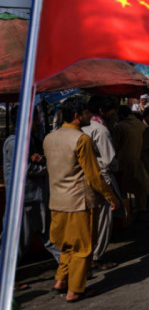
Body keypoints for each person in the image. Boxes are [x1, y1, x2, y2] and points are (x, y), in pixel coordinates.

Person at [43, 97, 120, 302]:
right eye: (87, 113)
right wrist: (110, 196)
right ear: (78, 116)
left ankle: (61, 280)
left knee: (67, 245)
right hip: (79, 202)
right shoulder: (82, 139)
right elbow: (94, 175)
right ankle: (75, 290)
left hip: (56, 201)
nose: (91, 116)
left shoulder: (49, 138)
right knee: (83, 248)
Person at [2, 106, 61, 289]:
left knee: (51, 237)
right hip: (24, 201)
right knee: (17, 242)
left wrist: (42, 161)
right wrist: (48, 167)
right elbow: (26, 168)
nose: (38, 123)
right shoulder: (14, 142)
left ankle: (70, 270)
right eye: (35, 119)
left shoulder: (31, 140)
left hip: (37, 198)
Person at [81, 96, 121, 271]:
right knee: (104, 218)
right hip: (101, 177)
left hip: (80, 180)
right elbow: (109, 159)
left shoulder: (75, 129)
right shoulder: (100, 130)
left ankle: (88, 256)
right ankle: (95, 257)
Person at [113, 106, 149, 217]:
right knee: (140, 188)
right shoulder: (140, 125)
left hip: (123, 162)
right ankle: (141, 209)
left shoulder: (119, 127)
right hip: (139, 160)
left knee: (123, 189)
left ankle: (125, 213)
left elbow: (114, 147)